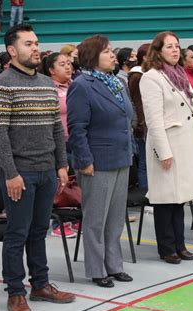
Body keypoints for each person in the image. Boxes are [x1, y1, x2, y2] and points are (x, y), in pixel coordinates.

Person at [0, 24, 76, 311]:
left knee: (39, 231)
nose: (35, 48)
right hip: (19, 174)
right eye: (27, 44)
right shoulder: (1, 85)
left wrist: (61, 164)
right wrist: (10, 173)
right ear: (12, 51)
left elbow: (55, 129)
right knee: (17, 233)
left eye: (36, 42)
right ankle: (15, 292)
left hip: (47, 172)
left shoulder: (48, 84)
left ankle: (40, 284)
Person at [67, 35, 134, 287]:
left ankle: (114, 265)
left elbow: (126, 117)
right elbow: (77, 127)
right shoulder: (82, 85)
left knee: (115, 217)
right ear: (93, 56)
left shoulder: (117, 83)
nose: (113, 55)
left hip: (120, 156)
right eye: (107, 51)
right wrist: (84, 160)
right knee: (96, 219)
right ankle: (97, 270)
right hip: (96, 161)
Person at [140, 31, 193, 264]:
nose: (175, 50)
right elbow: (153, 120)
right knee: (166, 199)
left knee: (180, 197)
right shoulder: (152, 77)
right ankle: (167, 247)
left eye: (177, 46)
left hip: (185, 143)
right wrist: (163, 151)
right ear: (158, 51)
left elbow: (191, 113)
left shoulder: (180, 75)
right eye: (169, 47)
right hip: (167, 144)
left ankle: (180, 243)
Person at [42, 52, 76, 238]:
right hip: (58, 141)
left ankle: (76, 218)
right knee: (61, 183)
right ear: (51, 70)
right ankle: (59, 222)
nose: (68, 67)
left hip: (76, 140)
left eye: (69, 63)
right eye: (62, 64)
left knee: (76, 182)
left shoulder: (75, 85)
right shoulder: (48, 88)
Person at [128, 43, 150, 189]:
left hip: (148, 122)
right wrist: (140, 125)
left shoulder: (149, 73)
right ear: (145, 57)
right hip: (143, 125)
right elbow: (137, 103)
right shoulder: (137, 75)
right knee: (144, 162)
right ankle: (144, 194)